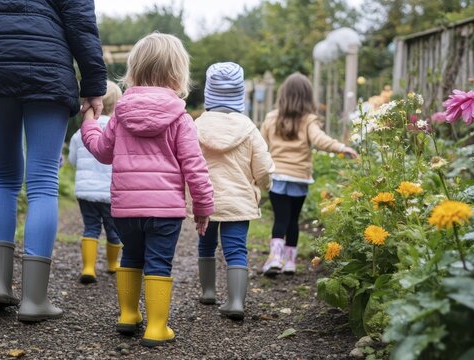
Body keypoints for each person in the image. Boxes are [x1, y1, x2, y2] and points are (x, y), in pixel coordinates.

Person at [0, 0, 107, 322]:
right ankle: (34, 299)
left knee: (3, 175)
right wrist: (93, 85)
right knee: (43, 180)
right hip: (48, 68)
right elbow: (80, 20)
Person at [80, 33, 214, 347]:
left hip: (126, 210)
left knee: (131, 257)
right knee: (159, 263)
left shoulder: (122, 114)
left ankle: (128, 316)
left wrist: (88, 122)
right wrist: (203, 207)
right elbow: (195, 166)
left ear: (134, 70)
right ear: (177, 74)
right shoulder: (181, 117)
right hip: (165, 210)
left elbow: (102, 151)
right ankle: (156, 327)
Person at [194, 62, 275, 321]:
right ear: (239, 94)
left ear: (209, 92)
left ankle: (208, 291)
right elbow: (262, 168)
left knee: (205, 244)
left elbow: (187, 160)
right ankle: (236, 301)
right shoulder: (249, 128)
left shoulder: (197, 125)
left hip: (205, 200)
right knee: (236, 249)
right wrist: (266, 186)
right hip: (238, 201)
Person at [260, 73, 357, 276]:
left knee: (280, 219)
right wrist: (341, 147)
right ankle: (290, 263)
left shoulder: (271, 118)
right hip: (299, 178)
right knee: (293, 220)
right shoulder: (309, 120)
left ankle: (275, 258)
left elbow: (261, 146)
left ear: (283, 94)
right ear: (307, 97)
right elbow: (320, 139)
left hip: (277, 177)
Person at [68, 80, 123, 284]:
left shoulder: (79, 133)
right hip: (110, 192)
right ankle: (111, 264)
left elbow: (73, 160)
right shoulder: (118, 129)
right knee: (113, 229)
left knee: (90, 227)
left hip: (86, 191)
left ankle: (89, 268)